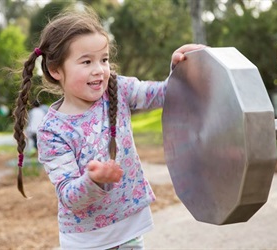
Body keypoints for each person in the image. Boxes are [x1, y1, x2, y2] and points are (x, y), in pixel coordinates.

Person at [12, 6, 205, 249]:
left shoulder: (118, 90)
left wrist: (178, 69)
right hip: (86, 241)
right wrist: (93, 180)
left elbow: (160, 94)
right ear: (55, 70)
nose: (99, 69)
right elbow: (69, 196)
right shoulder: (52, 130)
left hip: (129, 231)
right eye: (86, 61)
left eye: (104, 59)